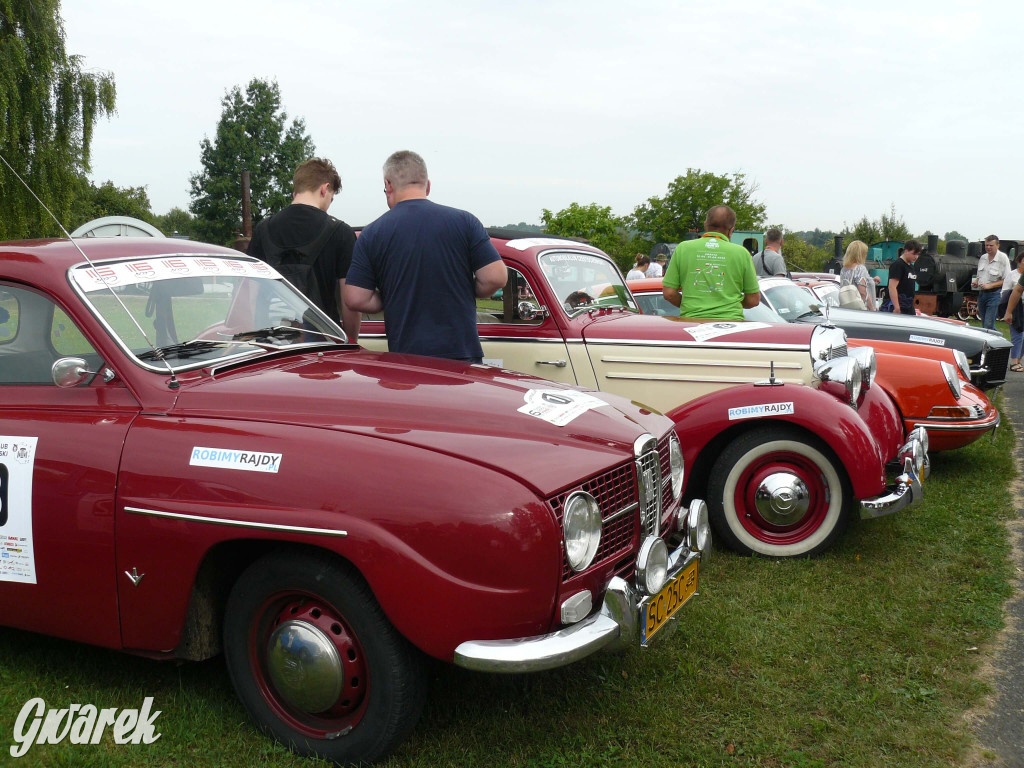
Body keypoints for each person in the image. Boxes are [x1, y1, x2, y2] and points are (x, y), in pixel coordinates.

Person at [343, 150, 506, 364]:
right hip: (462, 354)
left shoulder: (372, 233)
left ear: (388, 185)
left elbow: (355, 297)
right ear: (427, 185)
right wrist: (465, 288)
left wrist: (392, 295)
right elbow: (496, 277)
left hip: (407, 358)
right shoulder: (465, 222)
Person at [247, 157, 360, 341]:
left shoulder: (262, 229)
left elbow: (251, 295)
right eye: (331, 199)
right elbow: (349, 303)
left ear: (296, 191)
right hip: (321, 349)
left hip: (271, 345)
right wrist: (351, 341)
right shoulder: (341, 232)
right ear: (325, 189)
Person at [661, 205, 760, 321]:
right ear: (731, 230)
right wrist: (729, 305)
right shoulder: (742, 253)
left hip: (692, 323)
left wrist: (689, 305)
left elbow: (669, 293)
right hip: (731, 324)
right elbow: (753, 299)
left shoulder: (683, 248)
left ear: (705, 225)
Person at [975, 235, 1011, 330]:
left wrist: (990, 285)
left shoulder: (1003, 258)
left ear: (998, 245)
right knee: (984, 325)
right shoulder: (983, 258)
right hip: (982, 294)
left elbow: (1007, 280)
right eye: (986, 245)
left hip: (995, 294)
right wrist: (976, 281)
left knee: (988, 324)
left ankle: (999, 342)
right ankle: (991, 343)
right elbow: (979, 275)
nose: (988, 247)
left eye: (991, 245)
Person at [882, 239, 922, 313]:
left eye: (918, 254)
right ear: (906, 251)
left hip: (908, 305)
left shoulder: (911, 267)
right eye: (914, 254)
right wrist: (896, 307)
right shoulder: (898, 265)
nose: (916, 257)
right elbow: (892, 287)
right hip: (897, 305)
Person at [999, 253, 1024, 371]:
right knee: (1017, 334)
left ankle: (1019, 360)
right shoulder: (1012, 275)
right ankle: (1013, 362)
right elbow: (1006, 292)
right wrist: (1008, 311)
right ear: (1019, 261)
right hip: (1017, 307)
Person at [839, 240, 876, 311]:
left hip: (847, 308)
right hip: (861, 309)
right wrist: (872, 309)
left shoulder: (844, 269)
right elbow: (863, 292)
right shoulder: (860, 268)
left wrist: (871, 280)